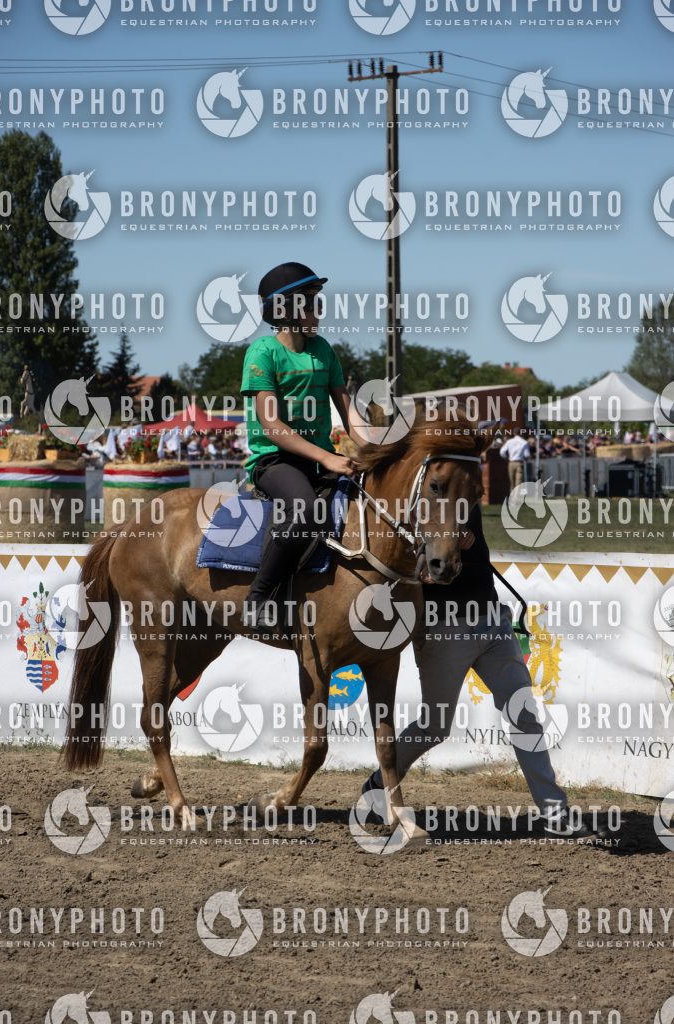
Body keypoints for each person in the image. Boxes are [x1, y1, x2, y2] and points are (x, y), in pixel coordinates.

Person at [362, 503, 592, 839]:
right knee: (434, 727)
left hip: (493, 621)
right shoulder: (409, 504)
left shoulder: (464, 496)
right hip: (442, 629)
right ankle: (378, 784)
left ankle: (555, 813)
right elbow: (399, 568)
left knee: (524, 714)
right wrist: (433, 559)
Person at [239, 262, 360, 631]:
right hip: (275, 462)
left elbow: (351, 415)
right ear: (286, 309)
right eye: (311, 303)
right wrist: (328, 457)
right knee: (305, 509)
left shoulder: (323, 350)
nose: (319, 311)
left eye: (318, 303)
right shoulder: (262, 352)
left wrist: (383, 450)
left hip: (320, 461)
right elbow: (273, 427)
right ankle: (260, 597)